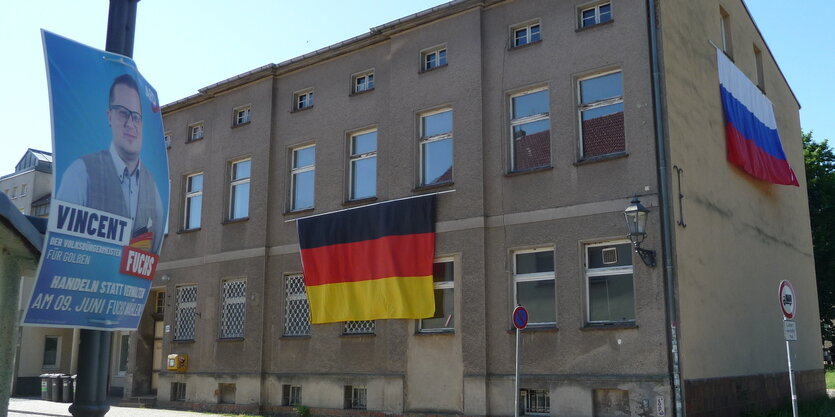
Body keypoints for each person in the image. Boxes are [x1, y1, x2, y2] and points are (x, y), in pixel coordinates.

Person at [57, 74, 164, 254]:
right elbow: (61, 244)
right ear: (109, 116)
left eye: (136, 117)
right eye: (123, 113)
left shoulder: (152, 187)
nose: (131, 124)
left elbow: (154, 250)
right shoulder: (81, 173)